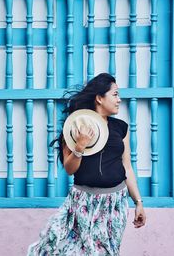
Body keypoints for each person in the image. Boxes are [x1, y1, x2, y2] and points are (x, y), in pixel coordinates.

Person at [27, 73, 146, 255]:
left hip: (114, 203)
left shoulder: (121, 128)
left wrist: (138, 202)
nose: (119, 100)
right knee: (56, 243)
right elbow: (69, 168)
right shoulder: (74, 126)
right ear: (99, 98)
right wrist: (80, 144)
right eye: (115, 95)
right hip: (82, 201)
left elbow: (127, 167)